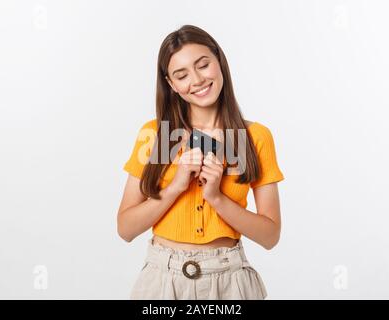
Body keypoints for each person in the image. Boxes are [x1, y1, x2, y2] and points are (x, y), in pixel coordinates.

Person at [117, 25, 285, 300]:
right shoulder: (156, 136)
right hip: (162, 282)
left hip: (230, 282)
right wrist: (176, 187)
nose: (196, 80)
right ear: (171, 85)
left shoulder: (253, 138)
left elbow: (270, 236)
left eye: (203, 65)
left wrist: (216, 198)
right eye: (181, 75)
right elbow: (125, 229)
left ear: (219, 61)